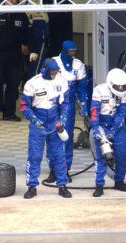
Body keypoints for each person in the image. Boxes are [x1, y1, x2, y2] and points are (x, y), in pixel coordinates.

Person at [18, 58, 72, 199]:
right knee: (34, 155)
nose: (55, 74)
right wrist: (33, 118)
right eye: (52, 72)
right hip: (38, 120)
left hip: (55, 120)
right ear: (45, 71)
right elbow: (23, 105)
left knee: (59, 155)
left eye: (56, 72)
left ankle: (62, 185)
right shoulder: (33, 83)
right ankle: (32, 186)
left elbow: (66, 102)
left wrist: (63, 118)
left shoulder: (62, 81)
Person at [45, 40, 88, 183]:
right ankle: (53, 170)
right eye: (71, 52)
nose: (73, 55)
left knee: (66, 137)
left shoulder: (79, 65)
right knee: (52, 136)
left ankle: (65, 169)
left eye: (75, 52)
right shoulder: (53, 62)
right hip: (52, 104)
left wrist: (84, 105)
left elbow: (81, 89)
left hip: (68, 105)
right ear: (64, 51)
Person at [0, 0, 38, 122]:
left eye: (15, 0)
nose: (13, 2)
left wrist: (33, 49)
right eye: (11, 0)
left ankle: (9, 113)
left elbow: (29, 33)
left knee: (13, 84)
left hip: (14, 55)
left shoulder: (20, 14)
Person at [91, 68, 126, 197]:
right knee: (102, 156)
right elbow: (94, 111)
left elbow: (122, 113)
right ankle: (99, 185)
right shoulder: (99, 90)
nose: (121, 88)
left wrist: (113, 130)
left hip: (117, 126)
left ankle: (119, 181)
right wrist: (96, 128)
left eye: (123, 86)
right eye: (118, 86)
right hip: (102, 124)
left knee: (122, 154)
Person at [25, 0, 49, 79]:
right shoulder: (26, 6)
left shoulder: (43, 6)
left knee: (35, 68)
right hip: (34, 44)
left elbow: (46, 30)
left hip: (40, 43)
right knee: (33, 68)